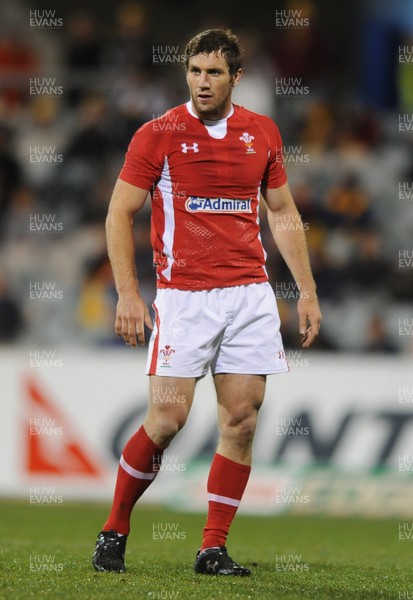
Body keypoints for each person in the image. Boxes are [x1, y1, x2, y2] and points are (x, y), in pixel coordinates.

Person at [92, 28, 322, 577]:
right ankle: (114, 528)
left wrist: (307, 289)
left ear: (236, 77)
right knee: (168, 419)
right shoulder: (158, 134)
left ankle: (212, 548)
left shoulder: (261, 132)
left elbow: (282, 210)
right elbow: (119, 212)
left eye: (214, 72)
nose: (202, 81)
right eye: (195, 71)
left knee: (241, 421)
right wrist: (128, 291)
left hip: (249, 296)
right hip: (183, 298)